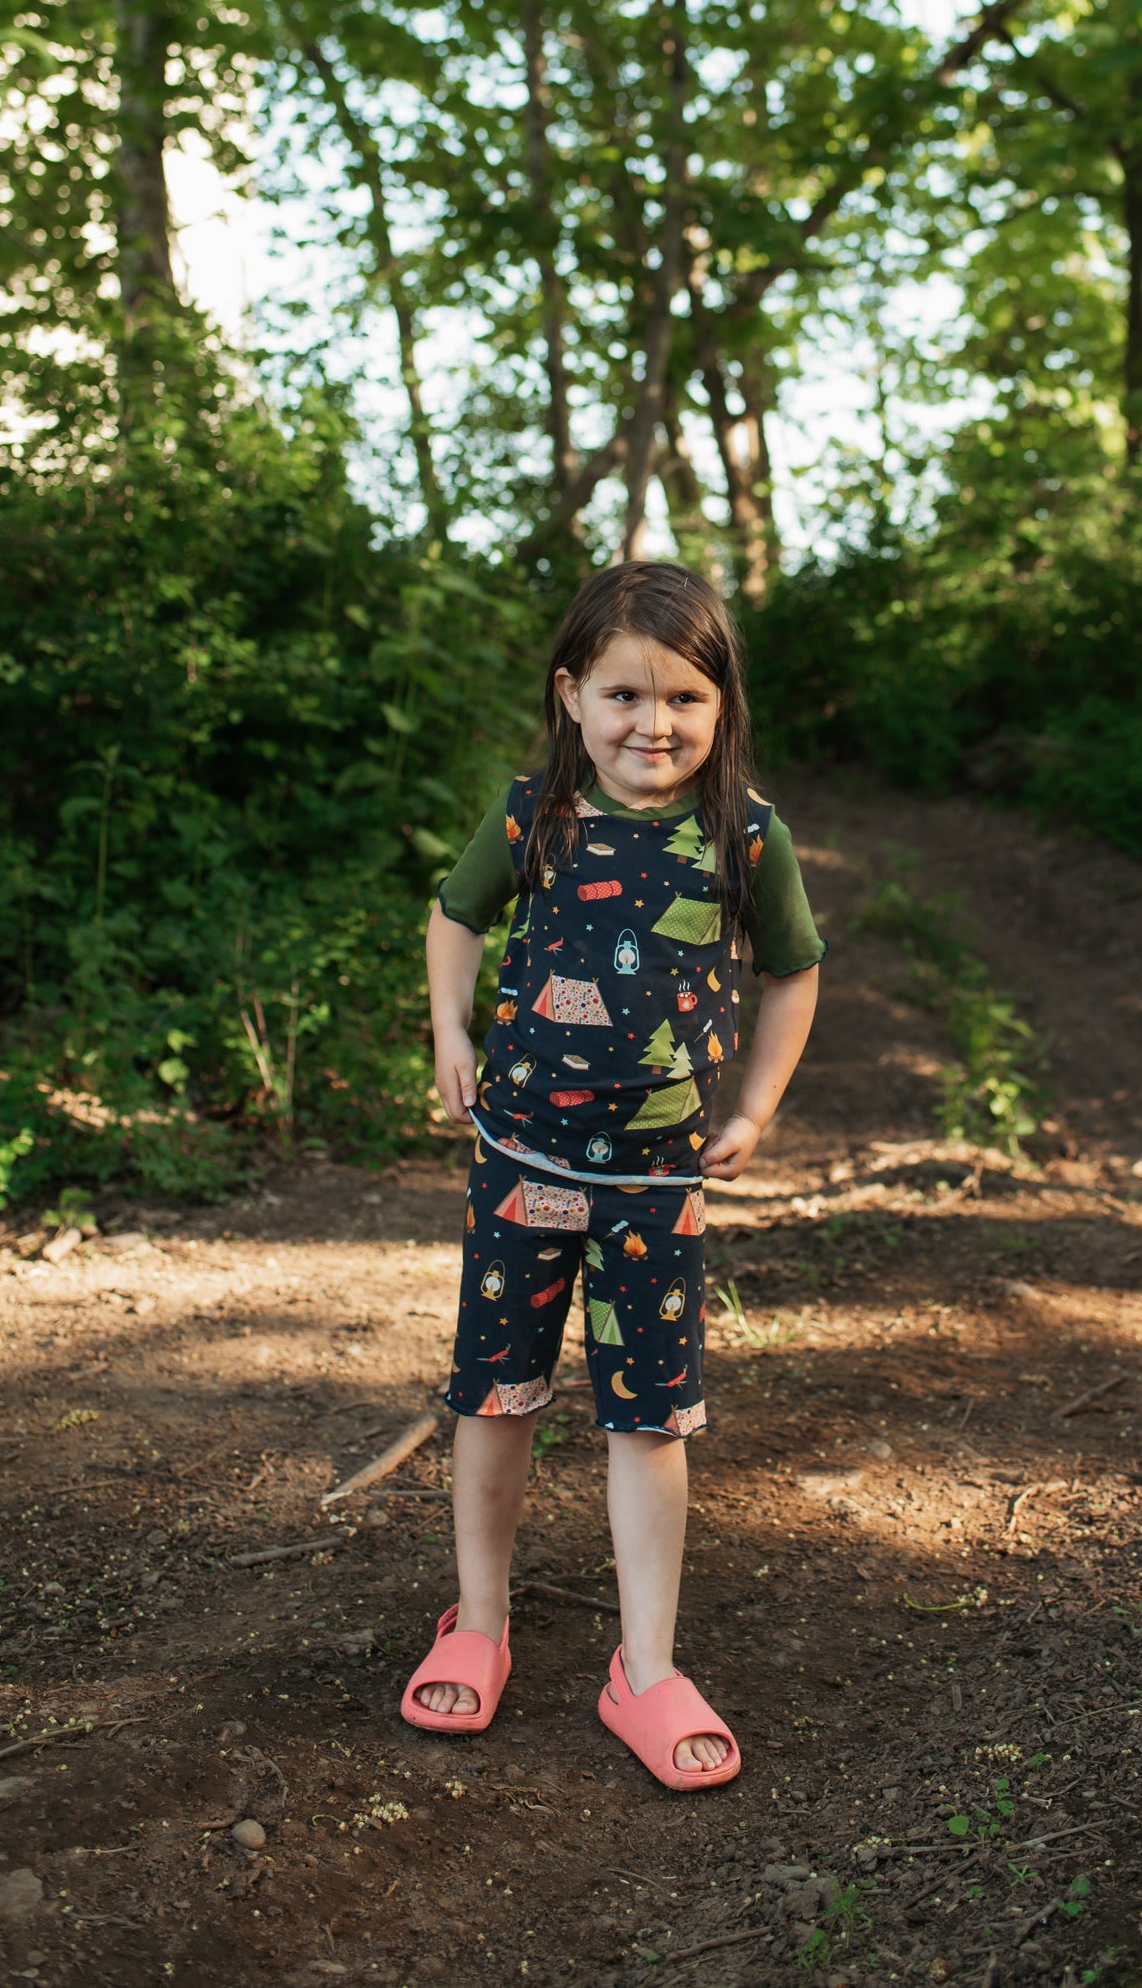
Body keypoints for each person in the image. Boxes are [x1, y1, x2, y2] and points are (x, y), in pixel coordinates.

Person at [401, 561, 824, 1789]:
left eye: (685, 698)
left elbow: (793, 966)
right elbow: (452, 915)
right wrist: (450, 1029)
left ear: (719, 702)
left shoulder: (741, 832)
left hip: (657, 1190)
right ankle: (476, 1622)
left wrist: (756, 1102)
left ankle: (644, 1666)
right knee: (496, 1395)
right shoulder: (535, 812)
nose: (655, 724)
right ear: (572, 694)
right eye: (625, 695)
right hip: (521, 1160)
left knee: (650, 1417)